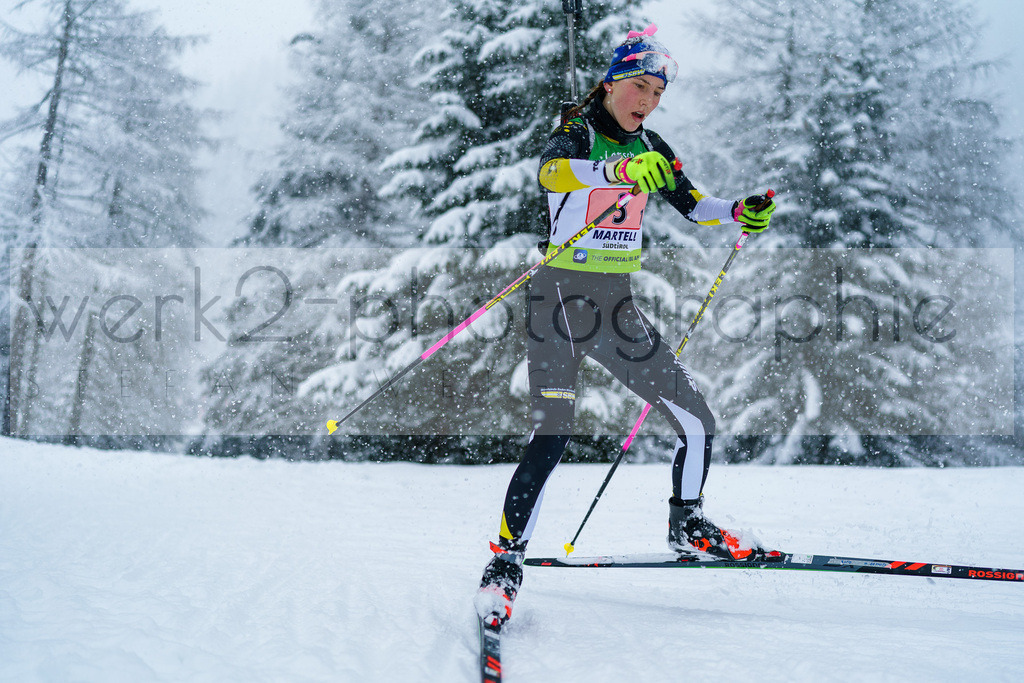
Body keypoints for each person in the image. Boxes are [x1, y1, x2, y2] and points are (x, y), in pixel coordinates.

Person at [475, 24, 778, 626]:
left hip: (614, 305)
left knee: (697, 418)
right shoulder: (577, 131)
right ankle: (504, 566)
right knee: (553, 435)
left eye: (658, 93)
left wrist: (739, 211)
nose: (647, 100)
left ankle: (688, 523)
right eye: (639, 85)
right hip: (558, 299)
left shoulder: (655, 148)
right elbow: (552, 175)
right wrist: (614, 176)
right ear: (612, 82)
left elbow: (694, 204)